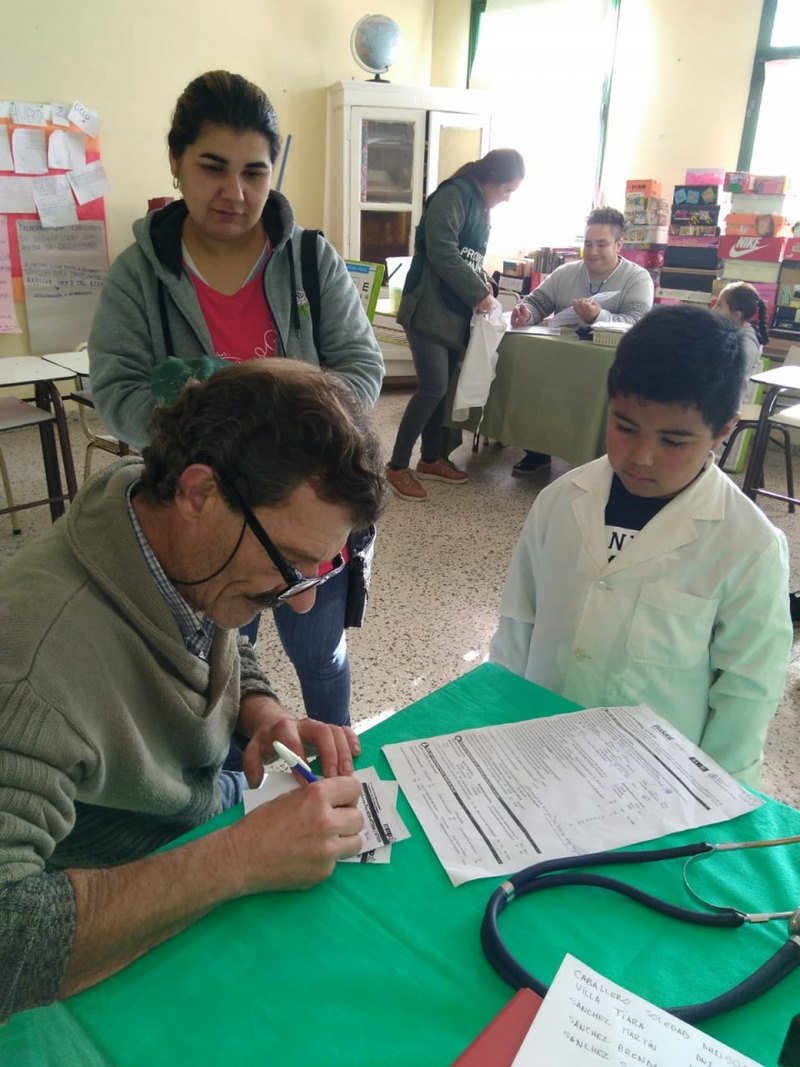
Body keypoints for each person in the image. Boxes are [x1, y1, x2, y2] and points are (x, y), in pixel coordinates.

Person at [0, 360, 387, 1021]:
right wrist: (238, 857)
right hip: (110, 921)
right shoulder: (30, 669)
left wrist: (260, 711)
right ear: (201, 491)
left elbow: (217, 634)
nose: (301, 605)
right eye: (290, 562)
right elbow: (10, 945)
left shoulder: (156, 525)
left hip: (200, 820)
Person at [89, 70, 384, 727]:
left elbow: (363, 368)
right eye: (213, 168)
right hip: (210, 520)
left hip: (309, 517)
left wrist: (293, 414)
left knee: (322, 657)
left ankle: (337, 766)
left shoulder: (311, 260)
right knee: (219, 670)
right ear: (175, 161)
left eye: (255, 172)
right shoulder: (140, 275)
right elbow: (114, 390)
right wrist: (201, 424)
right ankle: (224, 782)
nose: (235, 192)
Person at [489, 304, 792, 786]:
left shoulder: (749, 546)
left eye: (674, 441)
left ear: (723, 430)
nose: (642, 456)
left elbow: (746, 693)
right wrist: (496, 727)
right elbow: (518, 624)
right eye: (625, 427)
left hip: (655, 785)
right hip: (537, 753)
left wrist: (717, 801)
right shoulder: (559, 502)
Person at [385, 148, 525, 501]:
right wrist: (478, 293)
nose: (507, 199)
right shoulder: (454, 195)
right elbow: (442, 251)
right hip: (427, 308)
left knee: (442, 390)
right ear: (491, 179)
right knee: (432, 387)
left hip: (450, 313)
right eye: (507, 190)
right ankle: (396, 466)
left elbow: (469, 257)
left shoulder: (478, 205)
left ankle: (431, 459)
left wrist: (485, 284)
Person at [509, 206, 654, 476]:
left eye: (602, 244)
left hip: (607, 368)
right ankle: (536, 450)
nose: (593, 251)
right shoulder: (567, 272)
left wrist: (599, 316)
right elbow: (538, 301)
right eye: (588, 244)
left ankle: (597, 458)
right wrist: (525, 313)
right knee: (533, 379)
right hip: (559, 364)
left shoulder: (638, 278)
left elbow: (638, 323)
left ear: (619, 244)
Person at [714, 280, 769, 388]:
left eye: (719, 305)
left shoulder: (747, 343)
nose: (713, 309)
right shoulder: (726, 333)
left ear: (737, 315)